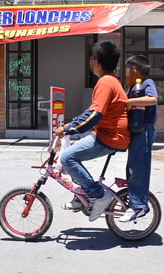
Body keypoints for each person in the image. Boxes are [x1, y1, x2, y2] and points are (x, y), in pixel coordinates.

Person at [55, 40, 130, 222]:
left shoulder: (105, 83)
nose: (90, 62)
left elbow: (95, 115)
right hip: (107, 133)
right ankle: (80, 196)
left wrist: (68, 129)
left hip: (110, 136)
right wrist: (73, 123)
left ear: (97, 62)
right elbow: (92, 112)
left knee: (67, 158)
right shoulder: (110, 81)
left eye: (91, 58)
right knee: (73, 156)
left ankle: (99, 195)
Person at [118, 55, 158, 222]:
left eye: (126, 70)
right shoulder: (132, 87)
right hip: (135, 132)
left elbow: (153, 99)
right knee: (132, 168)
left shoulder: (147, 84)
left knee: (139, 168)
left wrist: (130, 101)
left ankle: (139, 206)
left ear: (134, 70)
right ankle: (133, 200)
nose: (124, 74)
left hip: (145, 130)